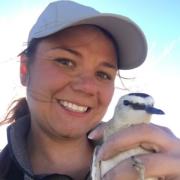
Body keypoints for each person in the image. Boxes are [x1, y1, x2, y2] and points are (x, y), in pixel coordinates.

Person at [0, 1, 180, 180]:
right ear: (25, 70)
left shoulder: (153, 163)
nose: (87, 87)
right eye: (65, 62)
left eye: (103, 74)